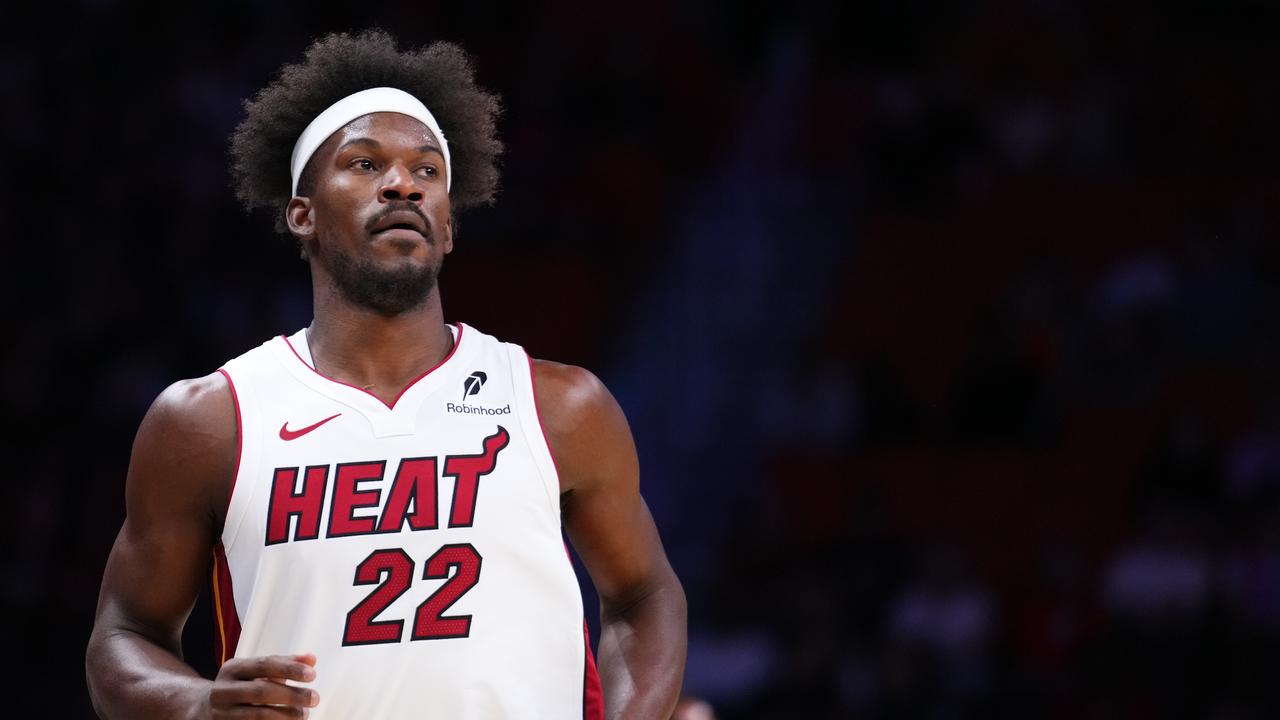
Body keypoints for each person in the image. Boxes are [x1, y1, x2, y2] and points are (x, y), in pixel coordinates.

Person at [85, 30, 686, 719]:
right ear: (301, 215)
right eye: (365, 163)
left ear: (449, 226)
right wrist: (194, 704)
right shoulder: (210, 421)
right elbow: (123, 634)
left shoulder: (560, 407)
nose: (403, 183)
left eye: (428, 171)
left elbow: (646, 595)